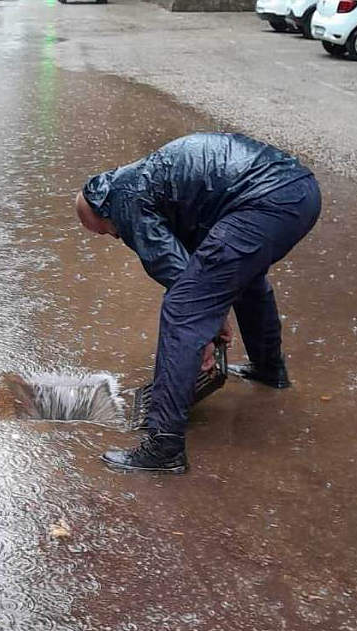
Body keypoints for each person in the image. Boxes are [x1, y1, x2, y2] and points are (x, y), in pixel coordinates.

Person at [75, 132, 321, 474]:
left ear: (104, 209)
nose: (113, 236)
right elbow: (199, 269)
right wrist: (213, 314)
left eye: (103, 231)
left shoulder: (123, 199)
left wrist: (205, 327)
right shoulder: (147, 183)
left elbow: (174, 270)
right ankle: (269, 370)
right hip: (300, 191)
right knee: (247, 280)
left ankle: (164, 447)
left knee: (182, 309)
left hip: (264, 200)